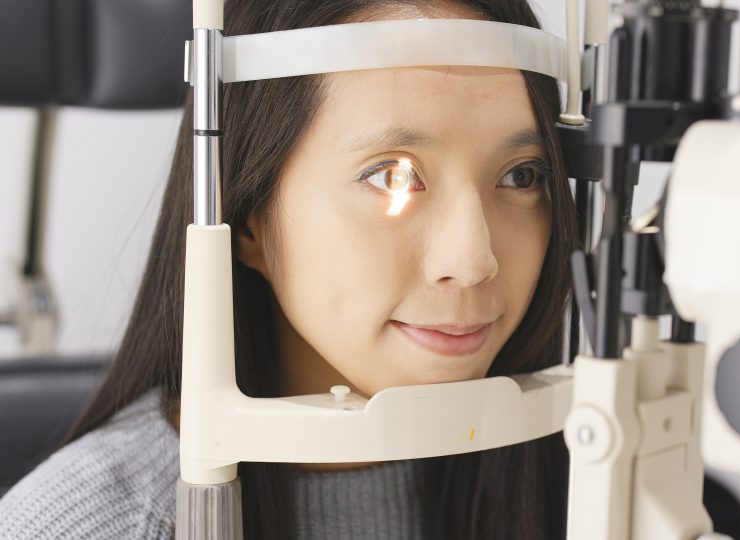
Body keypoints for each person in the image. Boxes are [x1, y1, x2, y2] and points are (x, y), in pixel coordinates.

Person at [0, 0, 576, 538]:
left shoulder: (595, 476)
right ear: (247, 215)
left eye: (522, 176)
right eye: (392, 176)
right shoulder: (91, 524)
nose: (474, 261)